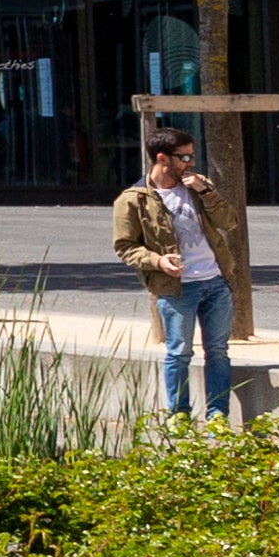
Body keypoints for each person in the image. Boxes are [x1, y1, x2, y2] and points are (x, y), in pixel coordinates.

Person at [117, 132, 238, 418]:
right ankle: (179, 415)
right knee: (179, 353)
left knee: (218, 351)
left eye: (192, 156)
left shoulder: (199, 186)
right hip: (176, 289)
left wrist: (206, 192)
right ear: (162, 158)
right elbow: (125, 247)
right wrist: (158, 261)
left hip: (216, 282)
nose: (190, 162)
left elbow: (229, 222)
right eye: (184, 157)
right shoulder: (133, 200)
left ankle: (217, 415)